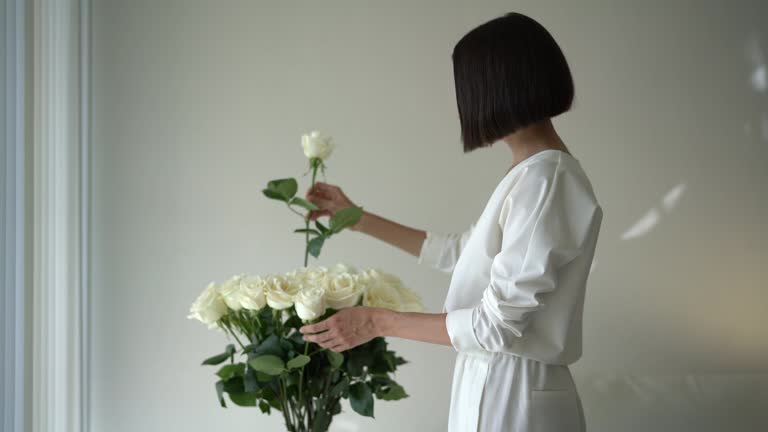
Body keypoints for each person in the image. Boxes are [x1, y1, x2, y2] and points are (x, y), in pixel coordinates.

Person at [299, 12, 603, 432]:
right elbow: (462, 252)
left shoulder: (546, 180)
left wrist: (376, 321)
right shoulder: (531, 175)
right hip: (496, 386)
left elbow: (496, 324)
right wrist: (357, 219)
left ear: (496, 86)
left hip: (514, 398)